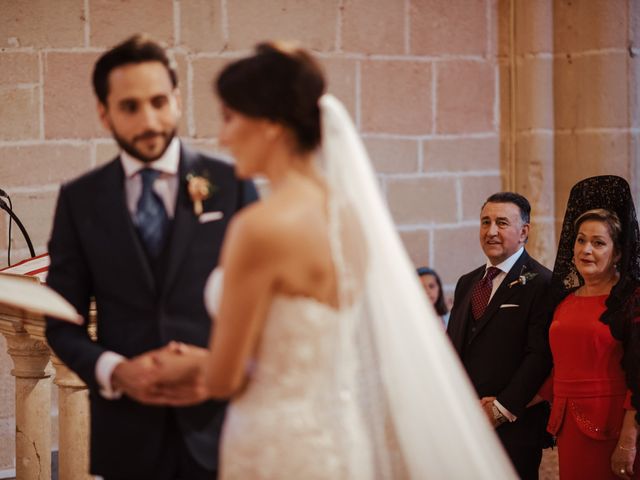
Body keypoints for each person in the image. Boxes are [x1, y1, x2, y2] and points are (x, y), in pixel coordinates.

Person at [150, 41, 517, 479]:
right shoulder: (350, 221)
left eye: (230, 117)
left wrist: (188, 364)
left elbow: (226, 379)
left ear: (269, 124)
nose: (222, 137)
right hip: (338, 440)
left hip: (274, 444)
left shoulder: (260, 227)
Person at [45, 34, 257, 480]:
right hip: (128, 438)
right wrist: (117, 372)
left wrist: (217, 366)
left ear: (177, 101)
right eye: (130, 107)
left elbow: (268, 307)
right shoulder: (79, 200)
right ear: (104, 113)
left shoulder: (231, 182)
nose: (149, 120)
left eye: (159, 101)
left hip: (225, 429)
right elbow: (62, 323)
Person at [446, 192, 553, 479]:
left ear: (524, 232)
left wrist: (500, 409)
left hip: (512, 425)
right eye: (485, 222)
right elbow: (454, 344)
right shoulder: (467, 282)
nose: (491, 231)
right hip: (465, 422)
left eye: (502, 223)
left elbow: (540, 355)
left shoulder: (542, 282)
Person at [541, 176, 640, 479]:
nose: (586, 250)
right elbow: (558, 368)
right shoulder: (564, 301)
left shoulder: (632, 301)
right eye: (581, 240)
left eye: (598, 243)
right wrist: (509, 403)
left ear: (618, 253)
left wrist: (628, 440)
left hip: (614, 428)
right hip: (570, 428)